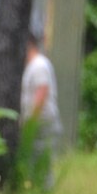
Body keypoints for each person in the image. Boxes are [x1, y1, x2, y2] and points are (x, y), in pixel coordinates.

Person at [21, 29, 60, 183]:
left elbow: (41, 92)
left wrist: (30, 123)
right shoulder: (32, 66)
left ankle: (44, 193)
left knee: (42, 163)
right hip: (37, 124)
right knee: (34, 163)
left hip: (41, 124)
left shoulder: (39, 65)